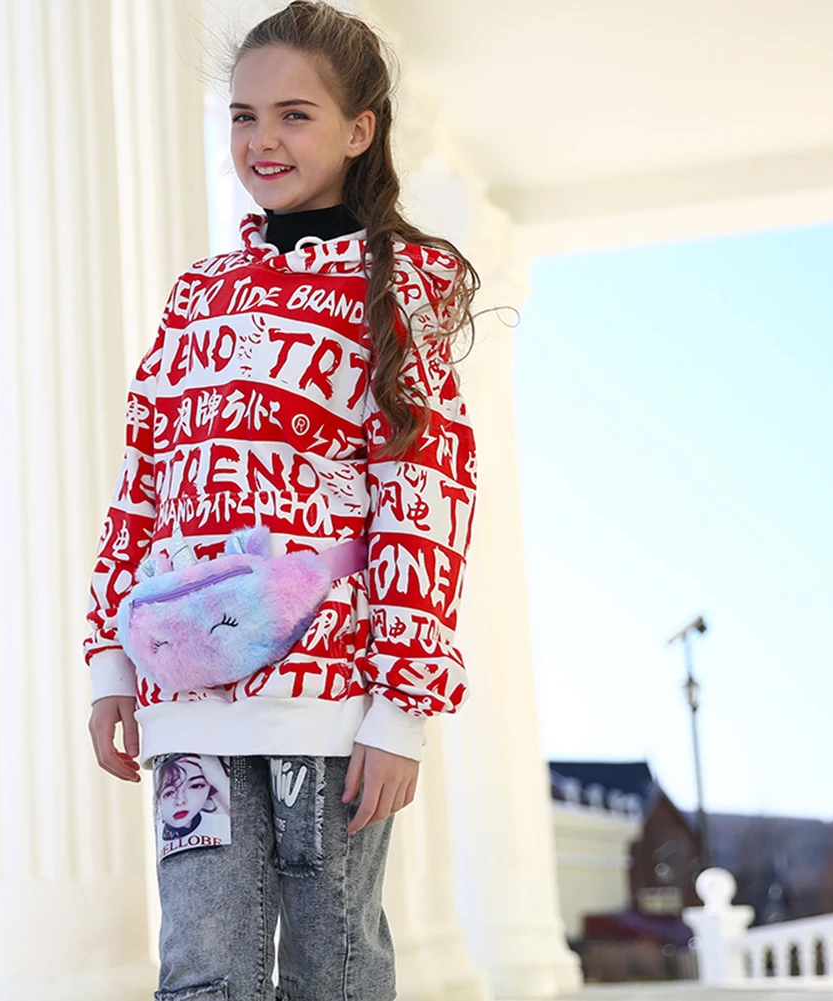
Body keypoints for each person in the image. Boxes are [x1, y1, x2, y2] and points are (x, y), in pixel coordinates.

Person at [83, 3, 482, 999]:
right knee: (200, 969)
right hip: (188, 693)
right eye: (243, 115)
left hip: (328, 701)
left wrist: (400, 707)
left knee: (331, 965)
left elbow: (424, 497)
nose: (262, 140)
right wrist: (109, 656)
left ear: (358, 130)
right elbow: (143, 482)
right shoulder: (198, 295)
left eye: (294, 114)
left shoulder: (398, 288)